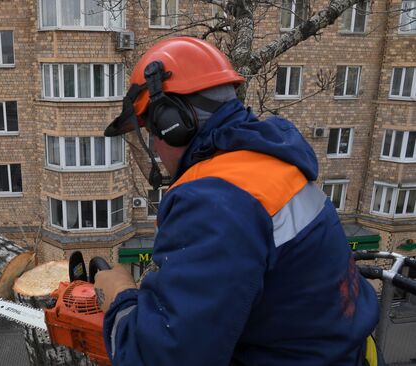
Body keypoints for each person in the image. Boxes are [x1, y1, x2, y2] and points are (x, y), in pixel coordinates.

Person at [94, 36, 380, 366]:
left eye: (152, 129)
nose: (155, 146)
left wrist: (119, 296)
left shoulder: (212, 201)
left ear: (172, 122)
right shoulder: (271, 161)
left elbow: (162, 357)